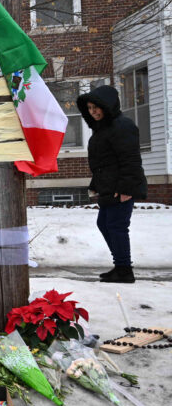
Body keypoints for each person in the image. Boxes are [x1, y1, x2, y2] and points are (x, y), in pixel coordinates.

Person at [77, 85, 147, 283]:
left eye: (97, 107)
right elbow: (105, 163)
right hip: (109, 186)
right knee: (105, 224)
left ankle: (124, 270)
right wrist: (95, 183)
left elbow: (131, 160)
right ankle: (121, 266)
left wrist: (126, 189)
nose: (93, 112)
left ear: (108, 105)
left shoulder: (122, 126)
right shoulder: (102, 129)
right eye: (90, 108)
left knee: (116, 226)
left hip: (121, 187)